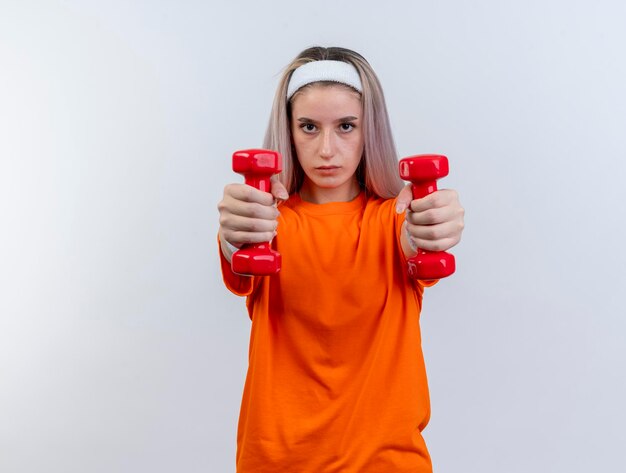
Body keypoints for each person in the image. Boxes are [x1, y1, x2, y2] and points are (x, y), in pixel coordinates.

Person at [217, 46, 465, 473]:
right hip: (278, 462)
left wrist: (434, 224)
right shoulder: (266, 227)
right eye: (309, 127)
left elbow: (414, 238)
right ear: (288, 131)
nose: (327, 149)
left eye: (346, 126)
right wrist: (231, 232)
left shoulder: (394, 221)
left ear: (370, 130)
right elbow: (239, 253)